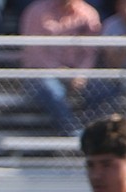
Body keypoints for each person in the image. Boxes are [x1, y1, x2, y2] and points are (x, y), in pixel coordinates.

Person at [18, 0, 102, 136]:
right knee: (53, 90)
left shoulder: (88, 14)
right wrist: (57, 70)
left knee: (105, 90)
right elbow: (34, 50)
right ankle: (73, 132)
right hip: (42, 73)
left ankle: (91, 131)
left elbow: (90, 52)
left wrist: (81, 73)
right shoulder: (36, 11)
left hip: (77, 75)